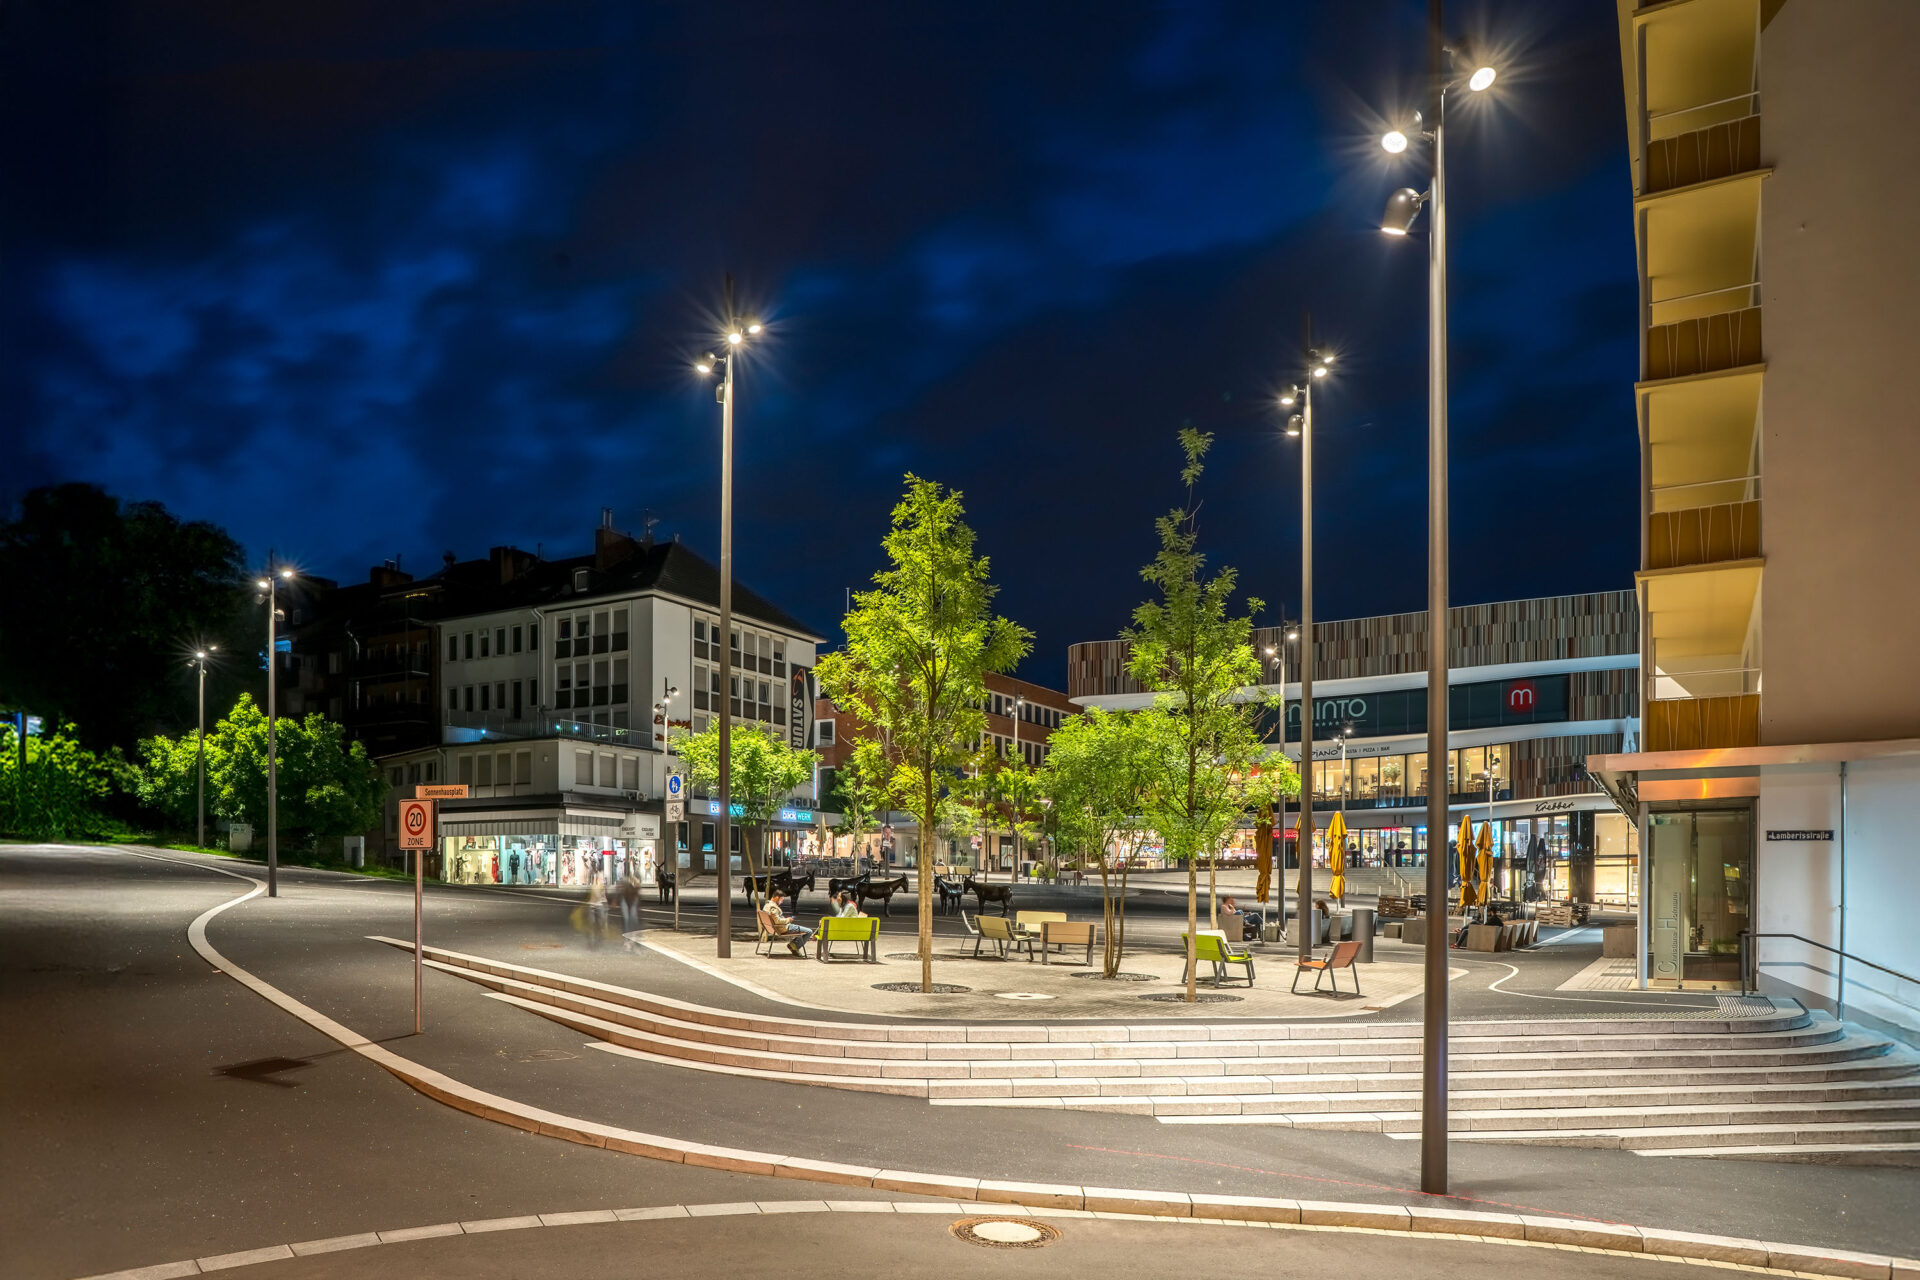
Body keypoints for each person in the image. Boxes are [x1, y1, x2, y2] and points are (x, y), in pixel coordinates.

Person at [761, 888, 813, 956]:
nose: (782, 902)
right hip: (783, 928)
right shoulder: (773, 907)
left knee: (803, 930)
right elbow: (777, 921)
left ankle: (793, 945)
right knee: (809, 931)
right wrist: (788, 920)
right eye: (781, 899)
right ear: (776, 897)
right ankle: (794, 945)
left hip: (775, 927)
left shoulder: (767, 905)